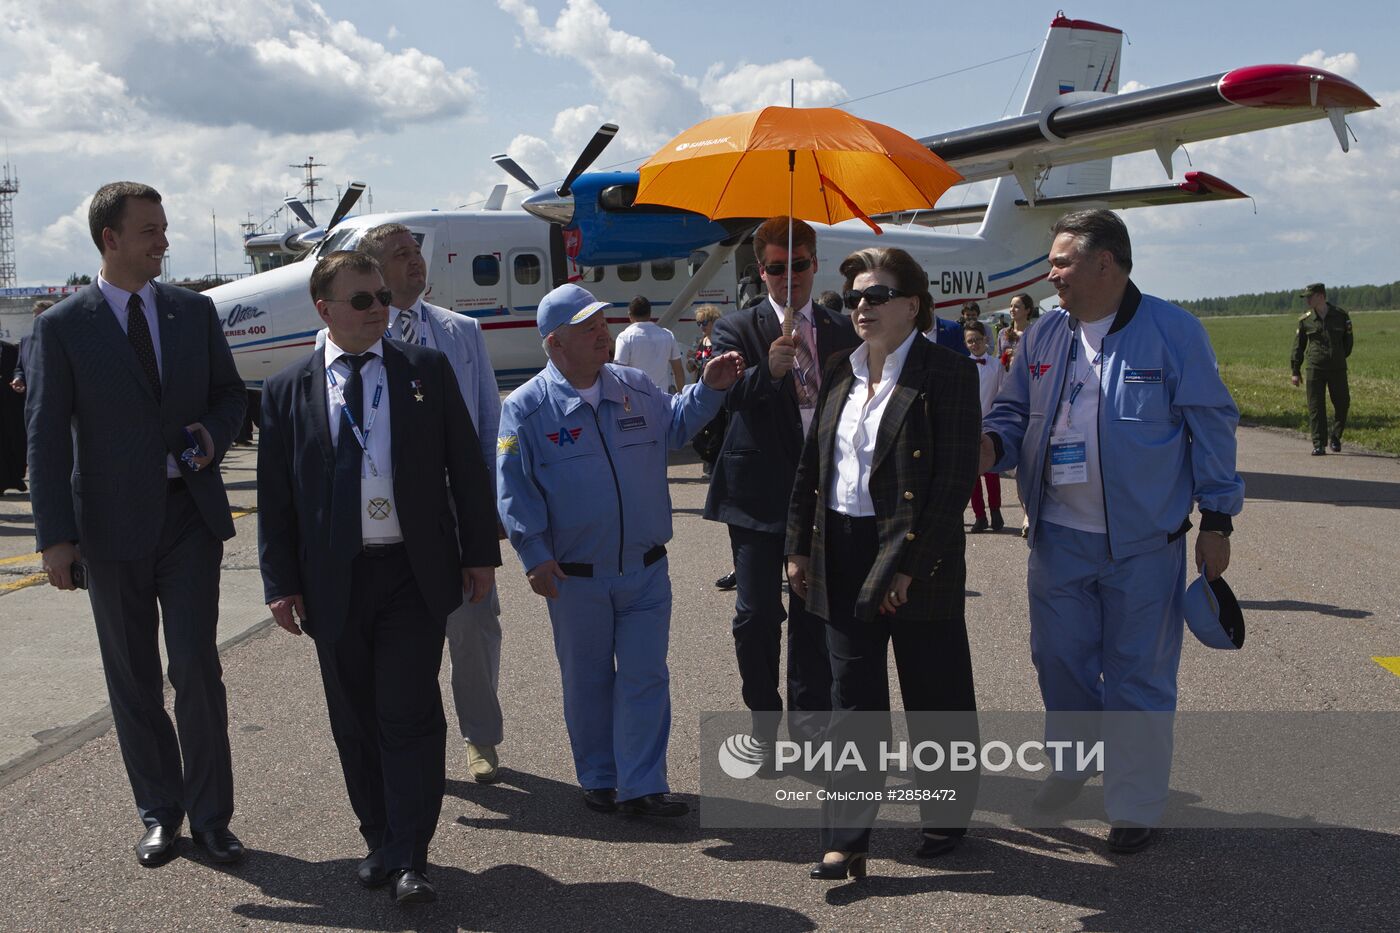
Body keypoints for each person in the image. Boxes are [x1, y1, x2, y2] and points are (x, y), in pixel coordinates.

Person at [980, 209, 1244, 854]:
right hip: (1056, 537)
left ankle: (1134, 803)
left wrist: (1217, 519)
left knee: (1138, 676)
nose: (1052, 272)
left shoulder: (1173, 332)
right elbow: (1013, 412)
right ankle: (1072, 769)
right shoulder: (1044, 334)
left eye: (1063, 261)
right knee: (1060, 664)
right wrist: (990, 444)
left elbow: (1211, 425)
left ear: (1106, 263)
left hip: (1145, 545)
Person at [257, 250, 500, 904]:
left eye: (382, 297)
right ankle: (380, 837)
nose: (377, 310)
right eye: (361, 299)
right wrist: (279, 581)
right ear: (324, 309)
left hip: (411, 574)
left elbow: (466, 468)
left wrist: (480, 551)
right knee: (355, 719)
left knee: (409, 712)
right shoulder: (286, 391)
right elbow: (276, 496)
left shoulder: (425, 370)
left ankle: (412, 852)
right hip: (333, 579)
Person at [25, 182, 247, 867]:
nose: (164, 241)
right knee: (133, 676)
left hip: (187, 516)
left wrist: (212, 434)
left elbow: (230, 394)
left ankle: (212, 815)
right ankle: (160, 811)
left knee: (195, 666)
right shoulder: (62, 326)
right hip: (108, 528)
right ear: (110, 239)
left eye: (164, 227)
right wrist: (54, 538)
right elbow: (45, 439)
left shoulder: (193, 311)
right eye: (150, 230)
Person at [497, 283, 743, 818]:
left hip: (645, 570)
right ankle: (600, 777)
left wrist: (710, 389)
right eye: (587, 328)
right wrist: (533, 554)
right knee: (587, 681)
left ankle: (642, 785)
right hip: (574, 576)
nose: (601, 334)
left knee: (645, 675)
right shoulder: (527, 409)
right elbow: (513, 487)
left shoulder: (635, 387)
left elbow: (677, 425)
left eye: (602, 323)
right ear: (554, 343)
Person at [787, 246, 981, 880]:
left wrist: (909, 564)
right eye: (853, 299)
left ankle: (945, 816)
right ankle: (848, 838)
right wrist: (796, 545)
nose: (860, 308)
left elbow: (952, 484)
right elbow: (814, 470)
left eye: (874, 296)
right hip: (840, 550)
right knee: (852, 699)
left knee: (935, 692)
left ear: (911, 305)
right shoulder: (839, 371)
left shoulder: (946, 373)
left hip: (912, 553)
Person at [358, 222, 508, 786]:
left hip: (455, 509)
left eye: (416, 253)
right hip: (388, 513)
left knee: (473, 628)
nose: (415, 262)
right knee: (399, 635)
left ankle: (480, 738)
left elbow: (489, 421)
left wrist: (489, 506)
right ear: (375, 269)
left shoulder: (462, 331)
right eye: (400, 255)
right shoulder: (360, 332)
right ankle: (406, 740)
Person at [705, 216, 859, 753]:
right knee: (757, 613)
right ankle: (764, 719)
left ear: (814, 264)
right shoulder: (735, 328)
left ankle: (809, 725)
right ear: (761, 271)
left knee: (813, 613)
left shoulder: (842, 330)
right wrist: (767, 371)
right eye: (776, 268)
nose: (788, 277)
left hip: (824, 491)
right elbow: (729, 400)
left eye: (798, 265)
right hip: (758, 494)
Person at [1290, 282, 1352, 455]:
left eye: (1310, 296)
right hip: (1315, 368)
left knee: (1342, 403)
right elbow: (1298, 346)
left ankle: (1336, 437)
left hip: (1337, 368)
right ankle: (1319, 443)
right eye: (1306, 297)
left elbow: (1348, 343)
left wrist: (1337, 356)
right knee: (1316, 407)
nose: (1307, 300)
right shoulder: (1306, 320)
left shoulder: (1341, 316)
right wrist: (1295, 370)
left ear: (1321, 296)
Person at [963, 321, 1004, 532]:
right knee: (973, 476)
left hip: (990, 423)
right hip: (969, 425)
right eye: (970, 341)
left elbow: (1001, 393)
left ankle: (996, 512)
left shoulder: (996, 365)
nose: (974, 344)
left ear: (985, 340)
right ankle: (980, 516)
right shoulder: (962, 366)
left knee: (992, 472)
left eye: (977, 340)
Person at [614, 295, 685, 393]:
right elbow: (678, 371)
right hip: (661, 399)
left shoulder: (624, 337)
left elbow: (619, 373)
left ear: (630, 315)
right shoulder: (667, 335)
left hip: (637, 400)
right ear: (650, 314)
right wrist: (681, 396)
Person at [687, 304, 726, 474]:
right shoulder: (702, 341)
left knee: (717, 425)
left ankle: (714, 461)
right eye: (699, 323)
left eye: (704, 322)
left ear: (713, 321)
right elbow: (694, 366)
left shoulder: (721, 339)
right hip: (703, 386)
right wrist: (691, 362)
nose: (701, 326)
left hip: (718, 387)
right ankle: (709, 458)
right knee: (705, 425)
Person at [996, 292, 1038, 361]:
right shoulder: (1002, 333)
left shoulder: (1034, 333)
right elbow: (998, 358)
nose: (1012, 309)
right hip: (1005, 371)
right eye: (1011, 306)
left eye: (1016, 307)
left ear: (1027, 310)